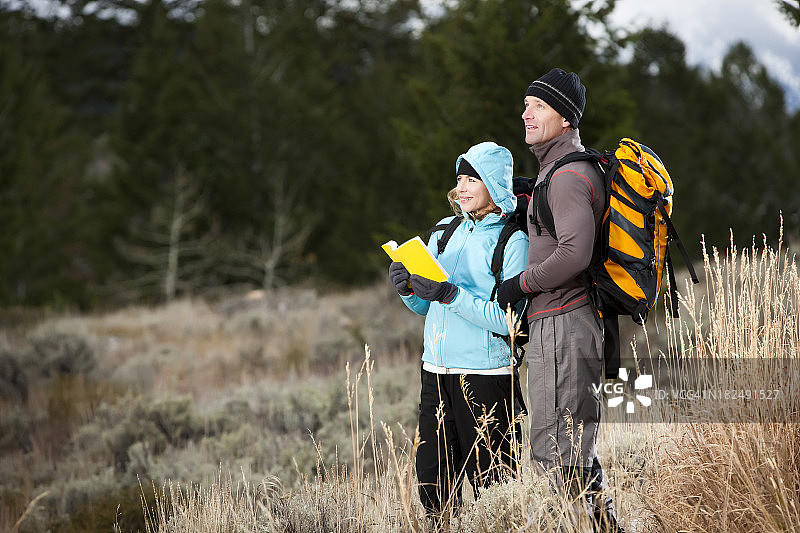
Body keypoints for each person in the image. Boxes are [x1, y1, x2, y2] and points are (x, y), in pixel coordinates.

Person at [496, 68, 624, 532]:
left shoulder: (568, 176)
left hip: (565, 324)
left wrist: (521, 284)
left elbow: (574, 253)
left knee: (557, 449)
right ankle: (603, 526)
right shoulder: (559, 171)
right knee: (571, 446)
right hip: (563, 324)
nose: (526, 114)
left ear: (566, 118)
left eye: (539, 106)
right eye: (526, 105)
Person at [388, 141, 529, 523]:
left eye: (473, 179)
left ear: (494, 184)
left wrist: (451, 294)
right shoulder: (443, 232)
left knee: (494, 488)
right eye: (460, 179)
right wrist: (408, 291)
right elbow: (427, 306)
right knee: (432, 484)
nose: (462, 187)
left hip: (487, 377)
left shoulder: (513, 241)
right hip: (435, 372)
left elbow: (511, 323)